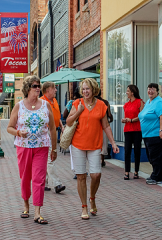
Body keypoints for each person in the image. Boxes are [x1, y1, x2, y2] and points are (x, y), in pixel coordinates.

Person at [66, 78, 119, 220]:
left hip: (95, 145)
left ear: (94, 89)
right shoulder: (77, 103)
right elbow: (68, 121)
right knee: (81, 176)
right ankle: (84, 207)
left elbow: (106, 126)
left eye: (87, 89)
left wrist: (113, 143)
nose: (85, 91)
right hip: (78, 144)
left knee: (96, 175)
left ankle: (92, 198)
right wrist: (78, 112)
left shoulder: (101, 105)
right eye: (83, 89)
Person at [7, 75, 57, 224]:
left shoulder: (46, 105)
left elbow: (53, 128)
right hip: (24, 147)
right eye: (35, 86)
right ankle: (26, 205)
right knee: (25, 178)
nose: (38, 88)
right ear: (28, 88)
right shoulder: (19, 106)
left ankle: (37, 212)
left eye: (38, 85)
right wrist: (18, 132)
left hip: (42, 146)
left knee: (39, 179)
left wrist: (54, 149)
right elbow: (9, 127)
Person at [138, 83, 162, 185]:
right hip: (148, 135)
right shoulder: (149, 102)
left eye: (153, 89)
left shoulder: (159, 102)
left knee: (156, 157)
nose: (150, 91)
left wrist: (161, 131)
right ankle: (155, 174)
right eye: (149, 89)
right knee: (151, 157)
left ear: (157, 91)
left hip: (157, 135)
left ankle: (157, 177)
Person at [40, 82, 66, 194]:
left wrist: (61, 125)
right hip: (45, 132)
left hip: (54, 131)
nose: (56, 90)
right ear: (47, 90)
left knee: (47, 158)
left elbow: (56, 116)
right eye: (53, 88)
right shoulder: (41, 102)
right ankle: (57, 184)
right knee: (50, 158)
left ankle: (43, 183)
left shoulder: (54, 101)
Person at [121, 85, 144, 180]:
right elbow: (126, 116)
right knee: (127, 151)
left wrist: (131, 120)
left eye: (128, 91)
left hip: (137, 130)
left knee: (137, 151)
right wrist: (125, 120)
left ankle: (136, 172)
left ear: (132, 92)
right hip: (127, 130)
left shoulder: (140, 102)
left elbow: (141, 116)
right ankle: (126, 172)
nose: (126, 92)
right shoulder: (126, 104)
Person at [95, 90, 113, 167]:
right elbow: (109, 114)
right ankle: (102, 160)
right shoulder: (105, 102)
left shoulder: (92, 102)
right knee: (103, 143)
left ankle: (95, 160)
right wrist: (110, 118)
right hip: (103, 126)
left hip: (95, 126)